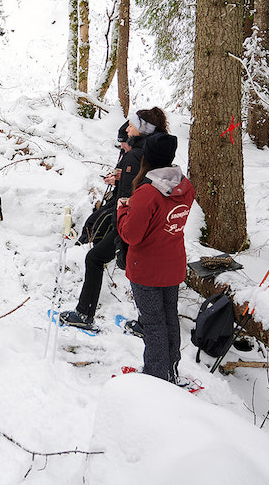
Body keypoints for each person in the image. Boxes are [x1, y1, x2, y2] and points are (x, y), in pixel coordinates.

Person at [60, 108, 169, 329]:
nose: (127, 129)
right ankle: (147, 324)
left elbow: (126, 199)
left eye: (131, 125)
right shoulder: (157, 151)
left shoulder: (135, 155)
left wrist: (121, 241)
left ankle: (84, 314)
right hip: (153, 221)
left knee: (96, 259)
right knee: (141, 274)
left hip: (132, 224)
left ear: (141, 129)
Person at [117, 132, 195, 383]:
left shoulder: (148, 193)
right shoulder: (185, 187)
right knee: (169, 319)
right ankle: (170, 371)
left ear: (147, 158)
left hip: (147, 269)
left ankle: (156, 377)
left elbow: (131, 235)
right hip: (172, 266)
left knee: (152, 324)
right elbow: (163, 219)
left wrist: (122, 211)